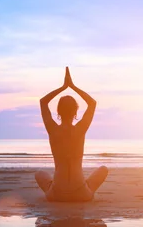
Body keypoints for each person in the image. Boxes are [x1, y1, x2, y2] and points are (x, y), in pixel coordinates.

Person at [35, 67, 108, 201]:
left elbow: (43, 102)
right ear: (75, 112)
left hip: (56, 194)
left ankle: (56, 187)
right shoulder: (80, 129)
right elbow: (92, 103)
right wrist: (73, 86)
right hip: (81, 193)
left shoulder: (52, 129)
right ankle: (82, 185)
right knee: (103, 169)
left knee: (39, 173)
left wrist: (63, 87)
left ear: (58, 111)